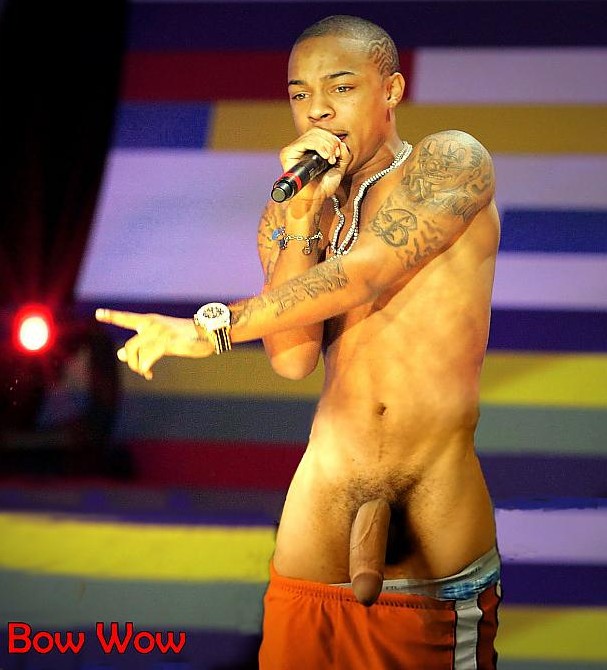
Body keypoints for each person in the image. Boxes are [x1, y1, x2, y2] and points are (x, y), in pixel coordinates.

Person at [96, 14, 502, 669]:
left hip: (428, 540)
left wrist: (211, 328)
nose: (317, 110)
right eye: (299, 93)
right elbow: (292, 358)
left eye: (340, 88)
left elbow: (367, 272)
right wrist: (302, 215)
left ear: (391, 90)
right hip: (313, 533)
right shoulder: (288, 211)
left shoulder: (451, 161)